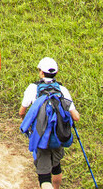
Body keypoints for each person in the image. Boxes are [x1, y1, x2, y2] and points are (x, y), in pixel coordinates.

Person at [19, 57, 80, 189]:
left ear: (41, 72)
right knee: (56, 167)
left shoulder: (33, 88)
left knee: (44, 177)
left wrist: (25, 121)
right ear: (56, 73)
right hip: (59, 136)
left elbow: (21, 111)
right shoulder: (62, 89)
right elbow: (76, 116)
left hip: (41, 137)